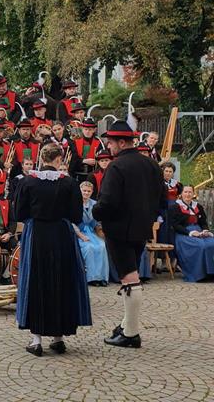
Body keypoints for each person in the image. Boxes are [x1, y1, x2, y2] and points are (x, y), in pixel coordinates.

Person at [93, 120, 164, 349]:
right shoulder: (151, 164)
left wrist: (95, 211)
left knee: (129, 278)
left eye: (111, 143)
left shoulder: (116, 167)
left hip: (119, 229)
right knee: (130, 275)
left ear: (122, 142)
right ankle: (126, 325)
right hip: (142, 228)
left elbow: (108, 202)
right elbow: (162, 200)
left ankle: (131, 333)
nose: (109, 147)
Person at [15, 143, 90, 356]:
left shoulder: (28, 181)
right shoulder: (69, 183)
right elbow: (76, 215)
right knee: (61, 280)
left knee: (36, 280)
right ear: (58, 160)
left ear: (41, 158)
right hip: (62, 235)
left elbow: (19, 213)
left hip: (37, 234)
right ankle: (58, 338)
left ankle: (36, 340)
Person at [170, 185, 214, 282]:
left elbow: (203, 222)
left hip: (199, 232)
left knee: (211, 243)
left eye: (190, 192)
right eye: (185, 192)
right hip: (183, 234)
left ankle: (211, 273)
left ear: (193, 194)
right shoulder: (175, 207)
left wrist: (205, 230)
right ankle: (199, 275)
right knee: (201, 245)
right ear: (181, 194)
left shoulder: (198, 206)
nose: (187, 194)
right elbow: (175, 225)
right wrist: (190, 232)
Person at [74, 181, 110, 286]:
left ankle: (102, 277)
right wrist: (81, 235)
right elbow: (71, 222)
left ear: (92, 192)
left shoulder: (94, 204)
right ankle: (91, 278)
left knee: (101, 246)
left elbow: (97, 221)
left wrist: (100, 231)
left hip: (91, 231)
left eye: (88, 191)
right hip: (78, 232)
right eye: (84, 190)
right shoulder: (74, 203)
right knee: (89, 248)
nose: (86, 193)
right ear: (79, 191)